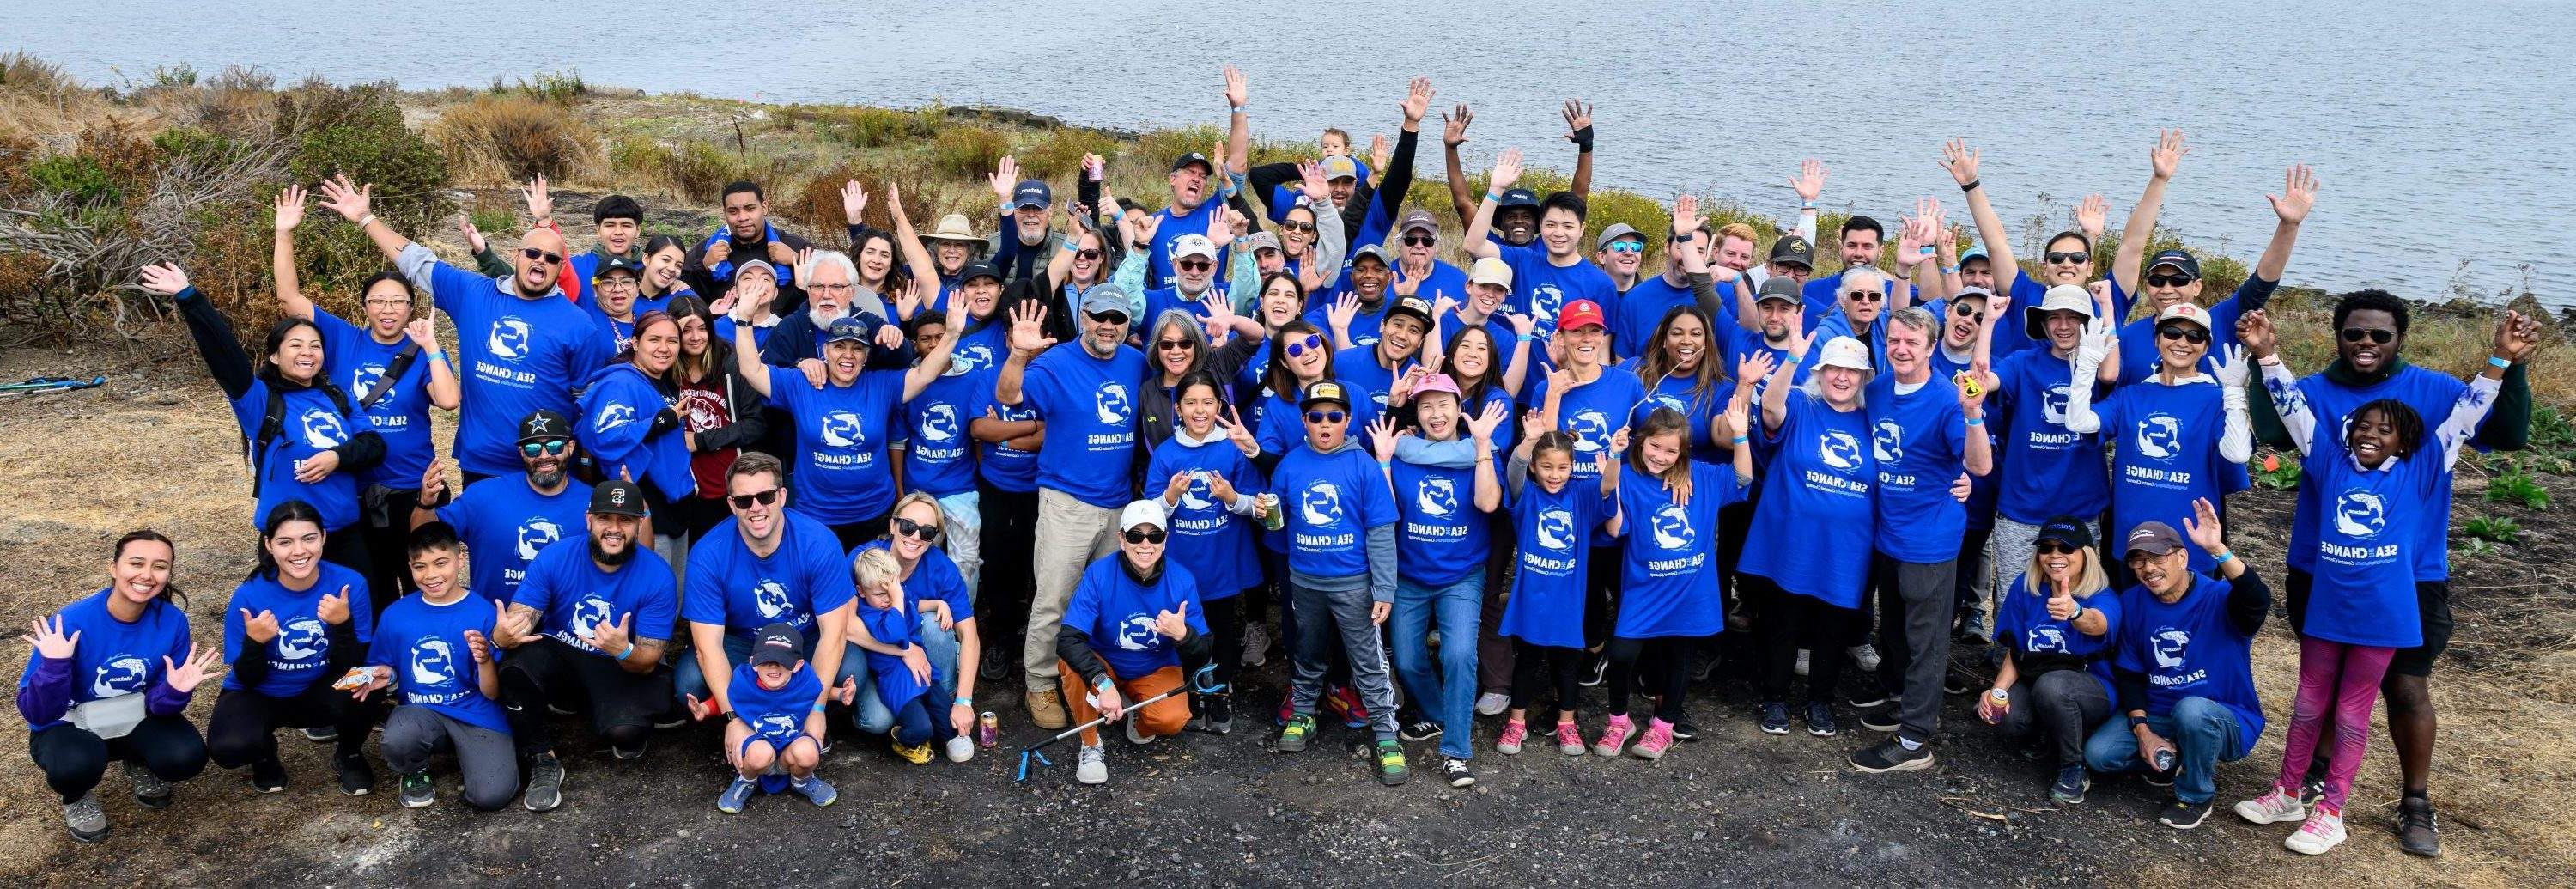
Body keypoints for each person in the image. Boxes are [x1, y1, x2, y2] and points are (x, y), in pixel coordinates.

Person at [2243, 297, 2537, 856]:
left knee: (2394, 692)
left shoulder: (2426, 456)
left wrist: (2504, 359)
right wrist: (2266, 355)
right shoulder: (2328, 451)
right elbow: (2289, 408)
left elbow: (2473, 411)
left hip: (2398, 593)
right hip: (2327, 589)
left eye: (2381, 333)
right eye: (2355, 332)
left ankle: (2385, 803)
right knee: (2312, 697)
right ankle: (2294, 787)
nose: (2367, 342)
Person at [318, 174, 611, 486]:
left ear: (561, 268)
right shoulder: (473, 294)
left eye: (552, 258)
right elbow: (416, 262)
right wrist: (365, 218)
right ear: (515, 255)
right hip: (482, 460)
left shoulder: (579, 325)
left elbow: (588, 401)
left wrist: (582, 463)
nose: (541, 261)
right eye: (532, 253)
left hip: (546, 462)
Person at [149, 262, 386, 599]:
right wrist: (190, 298)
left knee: (356, 623)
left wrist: (337, 457)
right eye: (296, 345)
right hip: (288, 541)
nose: (308, 352)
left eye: (315, 346)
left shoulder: (338, 396)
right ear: (274, 356)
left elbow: (373, 445)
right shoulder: (260, 401)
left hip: (345, 534)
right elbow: (224, 356)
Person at [271, 186, 459, 606]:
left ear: (412, 308)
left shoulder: (422, 350)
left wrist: (432, 346)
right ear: (365, 307)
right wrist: (285, 233)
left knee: (421, 587)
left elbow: (448, 400)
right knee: (369, 591)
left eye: (398, 302)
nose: (387, 310)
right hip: (354, 489)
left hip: (413, 487)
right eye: (377, 302)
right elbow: (289, 297)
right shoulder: (342, 340)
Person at [1845, 307, 1991, 772]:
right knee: (1892, 628)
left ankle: (1915, 740)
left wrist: (1973, 415)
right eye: (1895, 341)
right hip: (1886, 531)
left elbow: (1981, 466)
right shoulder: (1878, 390)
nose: (1902, 349)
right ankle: (1898, 699)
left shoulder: (1950, 398)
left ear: (1932, 348)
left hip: (1930, 538)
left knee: (1926, 639)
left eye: (1913, 343)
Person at [994, 288, 1148, 728]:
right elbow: (1008, 397)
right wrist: (1018, 356)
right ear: (1083, 316)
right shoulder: (1055, 362)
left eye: (1117, 317)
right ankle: (1040, 686)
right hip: (1067, 501)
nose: (1108, 325)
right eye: (1099, 315)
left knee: (1106, 601)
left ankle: (1093, 680)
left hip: (1119, 504)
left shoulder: (1135, 363)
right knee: (1054, 599)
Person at [19, 531, 220, 843]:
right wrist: (55, 667)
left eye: (160, 566)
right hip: (70, 722)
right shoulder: (70, 622)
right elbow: (38, 713)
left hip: (133, 717)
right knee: (74, 766)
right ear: (114, 568)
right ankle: (76, 796)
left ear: (168, 574)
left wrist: (175, 692)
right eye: (136, 563)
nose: (147, 575)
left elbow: (158, 707)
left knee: (185, 757)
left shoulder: (172, 621)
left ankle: (138, 761)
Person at [494, 479, 678, 811]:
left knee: (626, 733)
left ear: (639, 524)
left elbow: (649, 659)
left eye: (625, 520)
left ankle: (608, 714)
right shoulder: (555, 556)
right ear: (589, 519)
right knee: (514, 667)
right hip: (564, 652)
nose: (614, 529)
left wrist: (622, 649)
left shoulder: (658, 575)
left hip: (618, 662)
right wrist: (503, 635)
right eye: (606, 518)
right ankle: (543, 758)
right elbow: (518, 621)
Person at [2084, 504, 2267, 831]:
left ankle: (2195, 795)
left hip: (2223, 714)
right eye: (2138, 561)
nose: (2148, 568)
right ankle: (2175, 755)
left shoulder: (2220, 596)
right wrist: (2144, 733)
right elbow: (2129, 672)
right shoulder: (2132, 602)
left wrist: (2217, 549)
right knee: (2099, 755)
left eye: (2157, 558)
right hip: (2159, 714)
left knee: (2192, 711)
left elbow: (2257, 599)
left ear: (2182, 557)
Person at [734, 290, 960, 546]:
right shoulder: (801, 384)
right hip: (816, 514)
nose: (848, 355)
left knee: (870, 585)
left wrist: (951, 335)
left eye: (857, 348)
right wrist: (744, 319)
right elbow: (751, 370)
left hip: (874, 513)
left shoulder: (882, 385)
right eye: (840, 346)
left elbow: (924, 375)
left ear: (866, 357)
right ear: (826, 351)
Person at [1266, 382, 1409, 785]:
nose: (1324, 424)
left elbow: (1381, 529)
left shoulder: (1361, 464)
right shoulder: (1290, 465)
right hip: (1305, 581)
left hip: (1354, 583)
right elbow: (1278, 523)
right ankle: (1304, 713)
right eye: (1315, 416)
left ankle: (1386, 735)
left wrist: (1385, 589)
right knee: (1307, 649)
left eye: (1334, 416)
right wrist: (1264, 513)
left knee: (1366, 659)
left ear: (1348, 421)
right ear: (1304, 421)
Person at [1603, 398, 1755, 759]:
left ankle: (1663, 726)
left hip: (1690, 589)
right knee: (1622, 654)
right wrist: (1612, 460)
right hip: (1645, 588)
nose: (1661, 456)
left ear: (1683, 452)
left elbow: (1743, 477)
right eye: (1655, 446)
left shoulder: (1699, 475)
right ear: (1641, 441)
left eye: (1672, 451)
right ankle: (1619, 721)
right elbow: (1613, 527)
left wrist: (1739, 435)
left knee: (1679, 657)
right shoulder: (1628, 476)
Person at [1374, 375, 1506, 785]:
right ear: (1416, 413)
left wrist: (1483, 445)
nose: (1436, 414)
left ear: (1458, 406)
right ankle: (1438, 714)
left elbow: (1488, 503)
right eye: (1426, 406)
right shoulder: (1402, 454)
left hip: (1461, 576)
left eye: (1443, 405)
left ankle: (1456, 750)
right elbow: (1387, 511)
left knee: (1459, 655)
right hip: (1410, 576)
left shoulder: (1479, 454)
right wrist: (1382, 461)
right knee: (1410, 661)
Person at [1967, 282, 2120, 629]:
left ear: (2086, 323)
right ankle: (2007, 660)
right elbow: (1984, 379)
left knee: (2077, 593)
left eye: (2073, 318)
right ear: (2043, 323)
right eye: (2055, 318)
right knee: (2014, 593)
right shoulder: (2023, 363)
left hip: (2080, 508)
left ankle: (2065, 658)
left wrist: (2107, 309)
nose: (2063, 326)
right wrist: (1988, 322)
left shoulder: (2095, 364)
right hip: (2023, 505)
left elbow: (2111, 373)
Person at [2105, 133, 2316, 385]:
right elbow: (2131, 248)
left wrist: (2289, 226)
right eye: (2157, 280)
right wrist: (2159, 180)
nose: (2167, 289)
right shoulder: (2128, 338)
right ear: (2147, 286)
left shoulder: (2222, 322)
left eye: (2179, 280)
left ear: (2197, 286)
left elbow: (2262, 283)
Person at [1741, 336, 1872, 738]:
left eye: (1852, 371)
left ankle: (1821, 701)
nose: (1842, 377)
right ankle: (1775, 697)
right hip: (1792, 540)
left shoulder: (1872, 419)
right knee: (1784, 620)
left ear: (1864, 378)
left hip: (1847, 547)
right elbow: (1770, 407)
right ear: (1821, 373)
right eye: (1834, 368)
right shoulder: (1802, 403)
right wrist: (1793, 357)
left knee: (1833, 625)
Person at [676, 453, 860, 733]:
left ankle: (802, 719)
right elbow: (707, 647)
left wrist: (818, 708)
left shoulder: (819, 542)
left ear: (782, 496)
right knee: (690, 682)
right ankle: (749, 723)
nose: (755, 507)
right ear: (731, 505)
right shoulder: (708, 553)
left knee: (851, 668)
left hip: (802, 641)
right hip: (743, 644)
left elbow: (833, 634)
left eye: (766, 496)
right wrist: (732, 720)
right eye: (743, 500)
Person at [2063, 304, 2253, 576]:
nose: (2182, 343)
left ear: (2206, 346)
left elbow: (2237, 454)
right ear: (2157, 340)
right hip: (2131, 541)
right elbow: (2078, 422)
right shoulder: (2131, 395)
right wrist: (2087, 365)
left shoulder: (2215, 399)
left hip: (2191, 545)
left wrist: (2234, 394)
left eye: (2194, 336)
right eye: (2172, 333)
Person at [209, 501, 377, 796]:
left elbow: (352, 664)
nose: (299, 552)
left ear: (323, 537)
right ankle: (263, 755)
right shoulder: (249, 595)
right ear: (269, 545)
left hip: (318, 687)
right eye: (285, 542)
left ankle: (348, 754)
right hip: (261, 692)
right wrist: (255, 643)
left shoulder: (349, 585)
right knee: (229, 748)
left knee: (369, 681)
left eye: (309, 538)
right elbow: (247, 678)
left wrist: (342, 625)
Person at [349, 522, 516, 812]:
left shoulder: (484, 613)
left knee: (492, 796)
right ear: (410, 567)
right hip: (420, 711)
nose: (431, 575)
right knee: (399, 739)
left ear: (460, 559)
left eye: (441, 563)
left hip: (475, 715)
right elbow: (388, 664)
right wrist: (385, 675)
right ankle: (414, 770)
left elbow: (491, 694)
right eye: (420, 566)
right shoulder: (397, 614)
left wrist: (485, 659)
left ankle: (474, 754)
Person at [1054, 500, 1219, 784]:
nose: (1145, 544)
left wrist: (1183, 635)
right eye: (1135, 535)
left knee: (1171, 720)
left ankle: (1138, 714)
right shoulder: (1099, 574)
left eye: (1154, 535)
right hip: (1106, 662)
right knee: (1071, 666)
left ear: (1165, 540)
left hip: (1155, 666)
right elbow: (1068, 640)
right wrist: (1103, 682)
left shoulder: (1182, 580)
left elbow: (1203, 652)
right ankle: (1090, 745)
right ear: (1121, 539)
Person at [1144, 372, 1267, 734]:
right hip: (1182, 562)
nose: (1200, 410)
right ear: (1178, 409)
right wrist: (1169, 497)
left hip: (1223, 558)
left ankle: (1220, 690)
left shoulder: (1232, 447)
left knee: (1223, 628)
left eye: (1208, 402)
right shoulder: (1166, 452)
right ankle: (1193, 690)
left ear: (1220, 406)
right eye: (1191, 403)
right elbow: (1152, 515)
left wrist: (1231, 498)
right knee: (1187, 629)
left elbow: (1258, 505)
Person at [1523, 299, 1647, 658]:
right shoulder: (1545, 387)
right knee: (1581, 593)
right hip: (1565, 509)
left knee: (1617, 585)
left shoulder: (1626, 385)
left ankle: (1619, 662)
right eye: (1577, 331)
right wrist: (1553, 396)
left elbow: (1648, 441)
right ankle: (1583, 657)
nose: (1587, 338)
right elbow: (1542, 451)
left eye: (1594, 330)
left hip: (1610, 505)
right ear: (1561, 337)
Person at [1494, 421, 1625, 758]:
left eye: (1563, 467)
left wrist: (1615, 455)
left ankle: (1567, 724)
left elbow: (1608, 487)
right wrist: (1530, 440)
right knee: (1527, 661)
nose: (1555, 475)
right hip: (1530, 597)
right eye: (1547, 467)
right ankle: (1516, 722)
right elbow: (1514, 471)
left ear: (1572, 466)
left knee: (1567, 663)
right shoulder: (1527, 496)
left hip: (1568, 598)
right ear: (1536, 467)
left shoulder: (1580, 494)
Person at [1979, 517, 2121, 804]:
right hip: (2039, 679)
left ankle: (2073, 767)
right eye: (2047, 548)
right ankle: (2048, 733)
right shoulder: (2026, 587)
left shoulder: (2102, 594)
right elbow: (2016, 649)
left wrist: (2075, 612)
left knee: (2052, 686)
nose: (2055, 556)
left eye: (2066, 549)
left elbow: (2099, 624)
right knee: (2009, 719)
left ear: (2086, 553)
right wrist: (1997, 692)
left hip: (2094, 688)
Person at [414, 411, 593, 606]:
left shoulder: (593, 502)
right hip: (491, 625)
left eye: (554, 446)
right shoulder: (484, 495)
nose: (544, 456)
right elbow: (423, 538)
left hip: (561, 630)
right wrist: (426, 503)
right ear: (522, 453)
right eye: (533, 448)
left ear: (571, 447)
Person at [1947, 140, 2105, 360]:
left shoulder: (2100, 301)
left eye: (2077, 258)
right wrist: (1971, 185)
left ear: (2089, 266)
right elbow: (1997, 244)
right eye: (2057, 258)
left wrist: (2090, 237)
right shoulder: (2026, 294)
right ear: (2044, 267)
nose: (2067, 264)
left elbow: (2131, 248)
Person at [848, 495, 983, 752]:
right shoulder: (864, 561)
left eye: (927, 532)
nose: (915, 537)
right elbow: (843, 625)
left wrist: (964, 701)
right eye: (908, 526)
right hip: (877, 661)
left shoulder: (941, 567)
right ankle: (853, 706)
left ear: (935, 538)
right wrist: (905, 650)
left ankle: (944, 695)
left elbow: (970, 635)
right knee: (878, 721)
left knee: (935, 623)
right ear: (893, 525)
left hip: (918, 665)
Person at [1465, 149, 1617, 346]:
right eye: (1551, 225)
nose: (1558, 233)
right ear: (1541, 226)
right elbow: (1473, 245)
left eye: (1568, 226)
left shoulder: (1601, 284)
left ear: (1581, 230)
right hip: (1513, 373)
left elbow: (1601, 349)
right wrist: (1495, 190)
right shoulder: (1523, 259)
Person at [579, 310, 698, 545]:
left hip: (674, 505)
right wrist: (662, 420)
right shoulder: (619, 382)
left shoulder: (662, 380)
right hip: (643, 508)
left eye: (672, 341)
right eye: (654, 340)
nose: (664, 348)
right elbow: (605, 437)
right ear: (635, 343)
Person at [895, 309, 989, 601]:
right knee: (915, 558)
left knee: (967, 561)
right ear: (915, 344)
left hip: (960, 487)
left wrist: (982, 479)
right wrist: (900, 493)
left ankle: (963, 625)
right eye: (926, 339)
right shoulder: (908, 381)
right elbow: (898, 443)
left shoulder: (973, 378)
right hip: (918, 488)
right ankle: (920, 624)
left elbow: (977, 434)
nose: (934, 344)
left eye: (940, 337)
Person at [848, 548, 969, 764]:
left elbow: (914, 602)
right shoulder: (869, 613)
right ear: (861, 591)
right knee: (920, 728)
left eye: (891, 591)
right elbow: (896, 634)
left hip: (922, 671)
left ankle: (941, 735)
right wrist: (896, 598)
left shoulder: (899, 595)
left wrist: (939, 603)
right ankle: (903, 740)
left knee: (945, 718)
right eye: (879, 594)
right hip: (897, 681)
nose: (887, 599)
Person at [714, 623, 850, 813]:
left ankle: (802, 780)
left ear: (797, 665)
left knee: (808, 752)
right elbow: (730, 698)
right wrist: (704, 708)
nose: (773, 665)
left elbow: (817, 692)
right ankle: (747, 780)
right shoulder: (743, 680)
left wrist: (840, 694)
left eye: (782, 661)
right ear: (753, 663)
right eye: (765, 660)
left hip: (790, 746)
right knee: (759, 754)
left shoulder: (805, 679)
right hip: (760, 746)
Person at [666, 295, 770, 543]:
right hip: (687, 489)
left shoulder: (731, 363)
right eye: (686, 330)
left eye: (702, 328)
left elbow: (755, 424)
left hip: (732, 486)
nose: (695, 337)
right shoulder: (666, 370)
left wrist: (700, 440)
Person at [1141, 66, 1253, 289]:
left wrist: (1238, 108)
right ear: (1172, 179)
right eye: (1190, 172)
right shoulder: (1153, 224)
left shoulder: (1216, 211)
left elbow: (1238, 164)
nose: (1197, 179)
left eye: (1203, 176)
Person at [1439, 99, 1595, 247]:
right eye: (1511, 217)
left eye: (1526, 216)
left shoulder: (1547, 248)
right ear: (1501, 223)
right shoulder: (1488, 246)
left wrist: (1586, 146)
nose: (1519, 221)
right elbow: (1463, 204)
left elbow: (1577, 201)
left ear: (1538, 224)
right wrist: (1451, 149)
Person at [684, 180, 813, 308]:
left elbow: (828, 287)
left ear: (765, 207)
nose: (742, 217)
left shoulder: (796, 246)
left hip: (786, 327)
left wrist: (796, 260)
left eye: (750, 208)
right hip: (725, 327)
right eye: (733, 211)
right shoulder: (706, 249)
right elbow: (680, 296)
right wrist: (703, 267)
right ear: (724, 213)